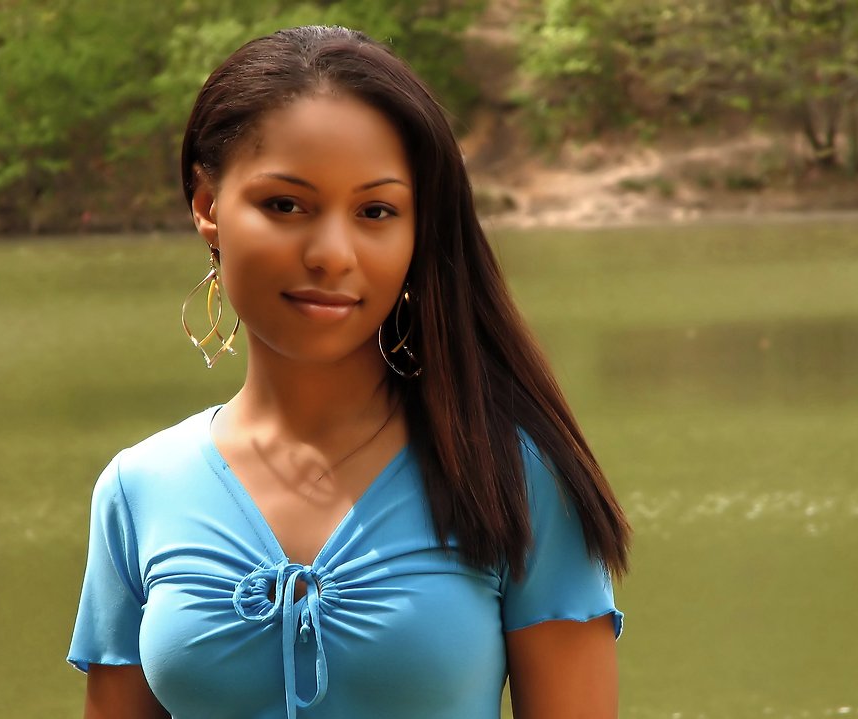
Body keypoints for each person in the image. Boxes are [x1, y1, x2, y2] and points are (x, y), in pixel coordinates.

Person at [68, 25, 631, 719]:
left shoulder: (515, 475)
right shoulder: (139, 490)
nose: (332, 253)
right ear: (208, 206)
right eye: (285, 205)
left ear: (418, 230)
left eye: (375, 211)